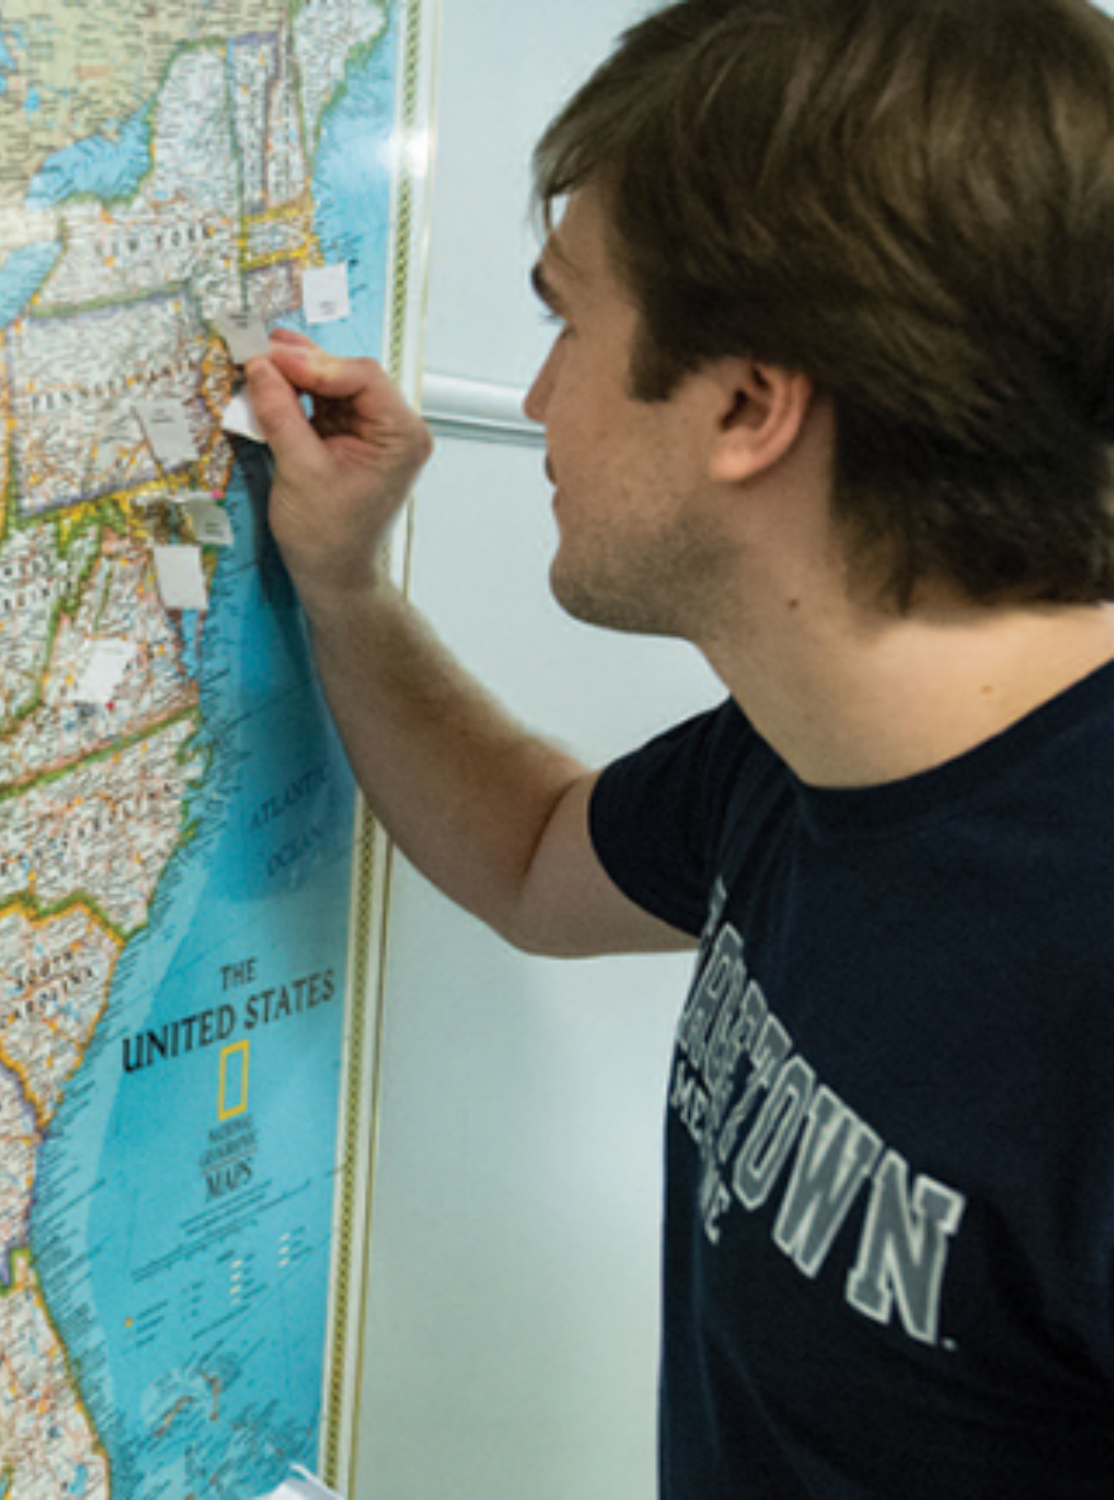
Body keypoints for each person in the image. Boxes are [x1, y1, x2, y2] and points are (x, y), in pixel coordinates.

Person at [241, 0, 1114, 1491]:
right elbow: (532, 856)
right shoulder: (811, 747)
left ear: (749, 405)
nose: (535, 399)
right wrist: (342, 585)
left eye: (567, 324)